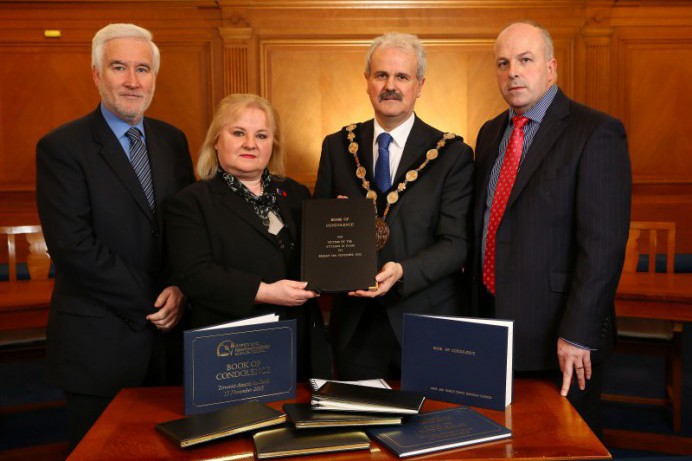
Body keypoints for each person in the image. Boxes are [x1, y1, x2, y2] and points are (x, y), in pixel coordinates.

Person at [35, 23, 195, 449]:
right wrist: (156, 297)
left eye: (142, 69)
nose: (132, 81)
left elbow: (184, 226)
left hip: (169, 344)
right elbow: (72, 247)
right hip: (98, 346)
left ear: (154, 78)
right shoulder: (62, 147)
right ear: (96, 74)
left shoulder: (172, 140)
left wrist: (180, 285)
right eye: (119, 67)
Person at [472, 20, 631, 436]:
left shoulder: (595, 131)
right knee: (499, 440)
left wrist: (578, 334)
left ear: (551, 68)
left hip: (560, 334)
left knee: (562, 443)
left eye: (525, 60)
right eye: (503, 63)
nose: (513, 73)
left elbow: (604, 246)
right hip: (494, 323)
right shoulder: (490, 134)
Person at [314, 32, 474, 380]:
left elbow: (456, 245)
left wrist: (402, 271)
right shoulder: (337, 146)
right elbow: (319, 242)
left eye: (402, 76)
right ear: (367, 82)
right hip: (355, 327)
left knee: (429, 431)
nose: (391, 85)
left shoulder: (453, 155)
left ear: (420, 85)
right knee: (357, 431)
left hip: (425, 321)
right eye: (381, 75)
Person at [164, 93, 330, 380]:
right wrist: (266, 292)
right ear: (216, 140)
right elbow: (195, 275)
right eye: (238, 133)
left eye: (262, 135)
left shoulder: (296, 194)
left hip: (302, 342)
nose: (251, 144)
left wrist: (343, 226)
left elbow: (317, 256)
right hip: (235, 349)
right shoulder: (191, 202)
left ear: (272, 144)